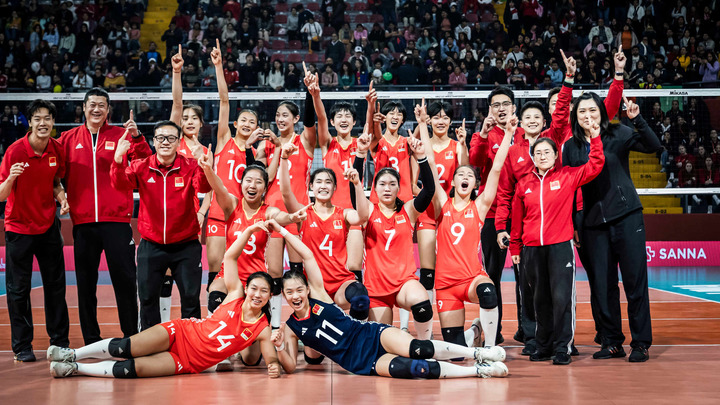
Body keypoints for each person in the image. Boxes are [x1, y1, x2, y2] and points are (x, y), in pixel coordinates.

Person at [270, 219, 508, 378]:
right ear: (284, 295)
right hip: (359, 363)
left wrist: (282, 230)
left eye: (298, 290)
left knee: (419, 349)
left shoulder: (319, 296)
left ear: (307, 290)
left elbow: (308, 256)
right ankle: (479, 371)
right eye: (289, 292)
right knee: (417, 369)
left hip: (371, 335)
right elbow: (289, 367)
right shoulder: (290, 327)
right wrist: (280, 347)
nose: (295, 296)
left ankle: (479, 354)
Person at [47, 222, 286, 378]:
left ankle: (75, 368)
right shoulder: (235, 295)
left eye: (264, 291)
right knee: (125, 348)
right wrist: (249, 231)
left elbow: (271, 358)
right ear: (247, 288)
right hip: (181, 332)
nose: (257, 294)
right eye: (254, 288)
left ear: (269, 296)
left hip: (189, 361)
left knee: (134, 369)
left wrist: (274, 365)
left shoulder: (262, 328)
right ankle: (72, 354)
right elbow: (230, 257)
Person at [563, 94, 660, 363]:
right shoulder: (571, 147)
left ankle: (640, 343)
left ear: (601, 113)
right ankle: (612, 341)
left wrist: (637, 120)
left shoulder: (619, 133)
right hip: (593, 225)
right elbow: (569, 189)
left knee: (634, 282)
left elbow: (654, 145)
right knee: (602, 285)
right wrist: (573, 224)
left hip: (627, 217)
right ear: (575, 117)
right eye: (582, 111)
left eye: (592, 110)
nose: (588, 116)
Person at [59, 87, 151, 345]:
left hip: (117, 222)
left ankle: (131, 337)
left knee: (125, 281)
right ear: (84, 108)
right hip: (83, 223)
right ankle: (91, 339)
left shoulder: (121, 135)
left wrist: (137, 136)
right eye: (92, 104)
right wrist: (61, 197)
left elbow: (145, 162)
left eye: (102, 105)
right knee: (85, 285)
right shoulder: (67, 139)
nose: (96, 109)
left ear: (108, 109)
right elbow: (55, 173)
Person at [513, 119, 605, 365]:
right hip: (532, 249)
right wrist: (515, 247)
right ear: (533, 157)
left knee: (561, 299)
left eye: (547, 152)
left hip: (560, 247)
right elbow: (517, 219)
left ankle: (563, 347)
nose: (542, 156)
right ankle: (543, 346)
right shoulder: (524, 185)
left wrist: (595, 138)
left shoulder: (567, 176)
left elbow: (595, 165)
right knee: (539, 300)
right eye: (538, 153)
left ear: (556, 156)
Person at [421, 100, 511, 350]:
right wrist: (422, 125)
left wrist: (509, 134)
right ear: (453, 182)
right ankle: (475, 330)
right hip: (446, 285)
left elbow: (496, 170)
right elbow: (430, 164)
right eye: (460, 174)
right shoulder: (442, 203)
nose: (464, 177)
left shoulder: (479, 207)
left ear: (474, 185)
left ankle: (491, 349)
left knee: (488, 293)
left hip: (472, 279)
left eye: (469, 175)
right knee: (456, 351)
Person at [110, 121, 211, 330]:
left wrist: (204, 166)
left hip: (186, 244)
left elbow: (203, 186)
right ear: (154, 141)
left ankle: (190, 344)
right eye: (161, 138)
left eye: (171, 138)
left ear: (178, 142)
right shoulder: (141, 166)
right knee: (147, 299)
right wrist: (118, 160)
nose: (165, 142)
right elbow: (120, 184)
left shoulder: (190, 165)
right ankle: (151, 344)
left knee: (190, 299)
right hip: (151, 244)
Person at [0, 100, 70, 362]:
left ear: (53, 122)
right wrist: (11, 178)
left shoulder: (57, 149)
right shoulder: (15, 151)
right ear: (29, 122)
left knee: (56, 287)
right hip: (19, 228)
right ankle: (22, 347)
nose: (43, 123)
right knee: (18, 290)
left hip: (48, 226)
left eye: (47, 118)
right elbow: (1, 194)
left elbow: (56, 183)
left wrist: (62, 198)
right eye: (37, 118)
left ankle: (60, 342)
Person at [256, 63, 318, 329]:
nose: (280, 119)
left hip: (296, 214)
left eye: (285, 115)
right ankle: (273, 326)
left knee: (296, 274)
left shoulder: (304, 141)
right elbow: (265, 179)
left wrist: (309, 93)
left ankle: (302, 324)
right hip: (272, 213)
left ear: (295, 119)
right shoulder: (268, 144)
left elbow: (311, 121)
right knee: (273, 276)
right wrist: (275, 148)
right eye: (278, 115)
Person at [279, 138, 370, 320]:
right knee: (316, 337)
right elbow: (286, 194)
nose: (323, 186)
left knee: (360, 297)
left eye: (328, 182)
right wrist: (284, 159)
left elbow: (362, 217)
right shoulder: (303, 213)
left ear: (334, 187)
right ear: (311, 186)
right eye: (318, 182)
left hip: (340, 283)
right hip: (314, 287)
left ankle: (355, 333)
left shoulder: (343, 214)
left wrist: (357, 185)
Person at [360, 134, 435, 339]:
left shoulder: (408, 211)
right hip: (376, 287)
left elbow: (429, 190)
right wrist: (359, 155)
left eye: (392, 184)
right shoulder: (368, 211)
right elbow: (353, 193)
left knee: (422, 304)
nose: (387, 188)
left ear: (399, 188)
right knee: (382, 342)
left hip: (404, 283)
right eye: (382, 184)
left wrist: (421, 157)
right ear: (375, 188)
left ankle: (424, 344)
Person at [467, 86, 525, 344]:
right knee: (492, 274)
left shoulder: (524, 133)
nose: (501, 109)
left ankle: (527, 330)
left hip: (524, 212)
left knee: (526, 276)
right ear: (490, 109)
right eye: (496, 105)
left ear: (514, 107)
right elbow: (475, 161)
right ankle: (494, 331)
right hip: (492, 214)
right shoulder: (484, 134)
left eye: (505, 104)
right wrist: (482, 134)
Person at [312, 79, 376, 284]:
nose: (343, 119)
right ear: (333, 122)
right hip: (330, 215)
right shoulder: (327, 143)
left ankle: (357, 302)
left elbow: (370, 128)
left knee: (354, 267)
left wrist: (371, 105)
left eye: (348, 116)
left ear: (354, 122)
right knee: (329, 268)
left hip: (355, 213)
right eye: (339, 116)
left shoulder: (361, 143)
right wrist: (316, 96)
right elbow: (321, 117)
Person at [412, 100, 468, 323]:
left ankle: (451, 319)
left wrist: (463, 145)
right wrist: (430, 196)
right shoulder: (420, 147)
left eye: (445, 117)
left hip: (450, 213)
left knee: (450, 269)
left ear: (451, 121)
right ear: (429, 121)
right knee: (427, 272)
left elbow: (466, 174)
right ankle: (426, 324)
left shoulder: (456, 146)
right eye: (436, 117)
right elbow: (412, 183)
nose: (441, 121)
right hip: (427, 212)